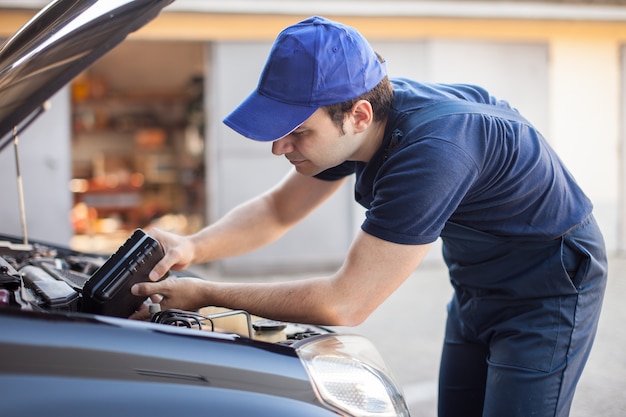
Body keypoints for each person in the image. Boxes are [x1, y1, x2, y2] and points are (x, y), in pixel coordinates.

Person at [130, 16, 608, 417]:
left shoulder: (434, 150)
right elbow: (277, 210)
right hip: (477, 283)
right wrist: (194, 247)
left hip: (550, 288)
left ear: (358, 115)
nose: (279, 147)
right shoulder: (357, 121)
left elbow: (345, 303)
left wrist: (206, 294)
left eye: (296, 131)